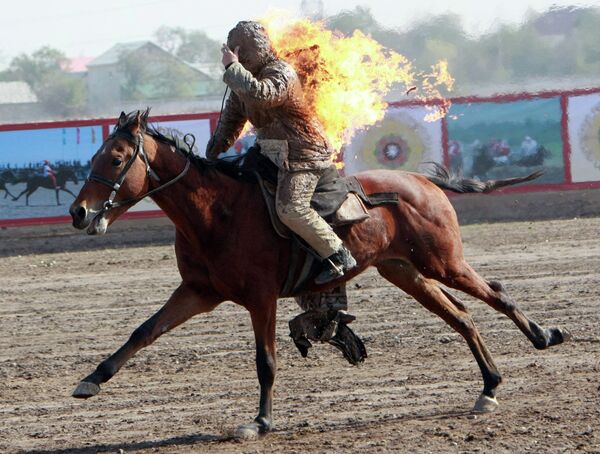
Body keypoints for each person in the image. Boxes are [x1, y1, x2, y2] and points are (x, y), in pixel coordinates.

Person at [206, 21, 356, 284]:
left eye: (243, 49)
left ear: (259, 47)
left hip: (304, 154)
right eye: (235, 50)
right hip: (272, 153)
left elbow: (261, 96)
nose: (240, 54)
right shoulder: (242, 82)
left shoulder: (281, 72)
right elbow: (231, 120)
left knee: (291, 208)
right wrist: (212, 152)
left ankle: (339, 254)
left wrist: (233, 67)